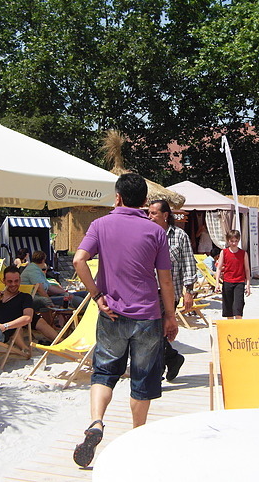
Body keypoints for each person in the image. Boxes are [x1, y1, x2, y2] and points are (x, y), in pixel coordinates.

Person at [71, 173, 175, 467]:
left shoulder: (100, 225)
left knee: (104, 372)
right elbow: (165, 281)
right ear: (144, 201)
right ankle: (137, 437)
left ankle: (96, 422)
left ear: (117, 197)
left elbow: (79, 260)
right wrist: (170, 316)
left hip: (112, 314)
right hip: (147, 317)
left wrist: (96, 296)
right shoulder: (156, 231)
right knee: (142, 380)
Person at [148, 199, 197, 382]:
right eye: (149, 213)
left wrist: (189, 291)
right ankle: (172, 358)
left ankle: (158, 372)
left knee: (157, 333)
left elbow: (189, 264)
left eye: (154, 213)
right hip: (148, 292)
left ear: (166, 215)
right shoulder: (147, 234)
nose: (149, 217)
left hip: (170, 292)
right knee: (153, 333)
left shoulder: (179, 236)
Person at [22, 250, 89, 310]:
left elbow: (50, 287)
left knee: (84, 294)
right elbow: (40, 289)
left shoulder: (37, 270)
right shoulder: (33, 270)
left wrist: (65, 292)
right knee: (72, 299)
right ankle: (91, 311)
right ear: (43, 260)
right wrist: (50, 302)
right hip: (36, 299)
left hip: (41, 297)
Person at [215, 229, 251, 318]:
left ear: (238, 241)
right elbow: (219, 268)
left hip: (239, 282)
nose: (234, 243)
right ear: (228, 240)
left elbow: (247, 270)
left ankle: (238, 329)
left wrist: (248, 285)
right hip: (227, 282)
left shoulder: (243, 253)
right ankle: (230, 329)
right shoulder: (224, 252)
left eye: (236, 241)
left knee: (238, 308)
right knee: (228, 309)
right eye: (232, 241)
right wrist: (217, 284)